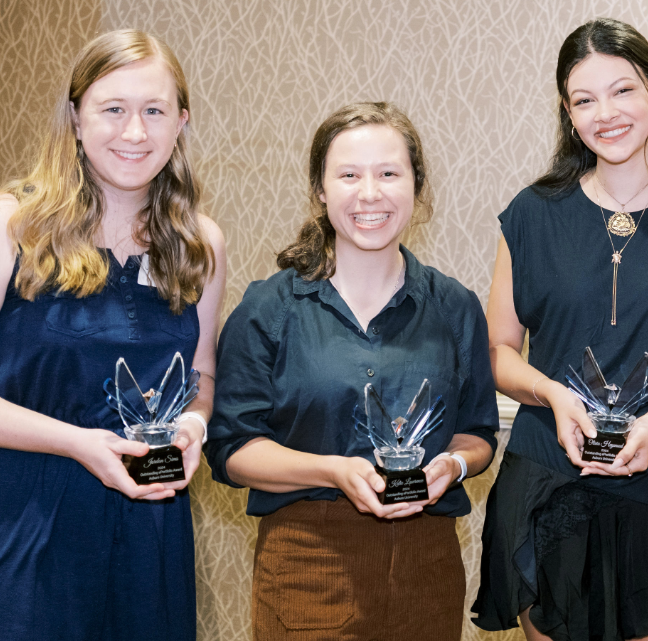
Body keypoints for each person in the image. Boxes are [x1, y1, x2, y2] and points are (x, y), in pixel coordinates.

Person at [0, 30, 227, 640]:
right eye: (113, 109)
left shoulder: (200, 243)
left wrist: (195, 424)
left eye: (154, 111)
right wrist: (76, 442)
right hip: (18, 521)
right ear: (75, 118)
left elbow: (201, 374)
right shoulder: (6, 226)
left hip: (149, 529)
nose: (135, 132)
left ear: (181, 122)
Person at [472, 18, 648, 641]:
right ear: (569, 115)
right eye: (584, 99)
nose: (606, 113)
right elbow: (499, 352)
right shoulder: (531, 215)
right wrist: (553, 394)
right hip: (551, 480)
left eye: (622, 91)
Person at [205, 102, 499, 641]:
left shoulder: (455, 307)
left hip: (426, 564)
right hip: (306, 563)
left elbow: (477, 433)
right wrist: (334, 471)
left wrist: (453, 466)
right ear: (320, 189)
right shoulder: (269, 309)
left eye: (389, 173)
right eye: (348, 175)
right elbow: (231, 450)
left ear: (416, 186)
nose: (369, 193)